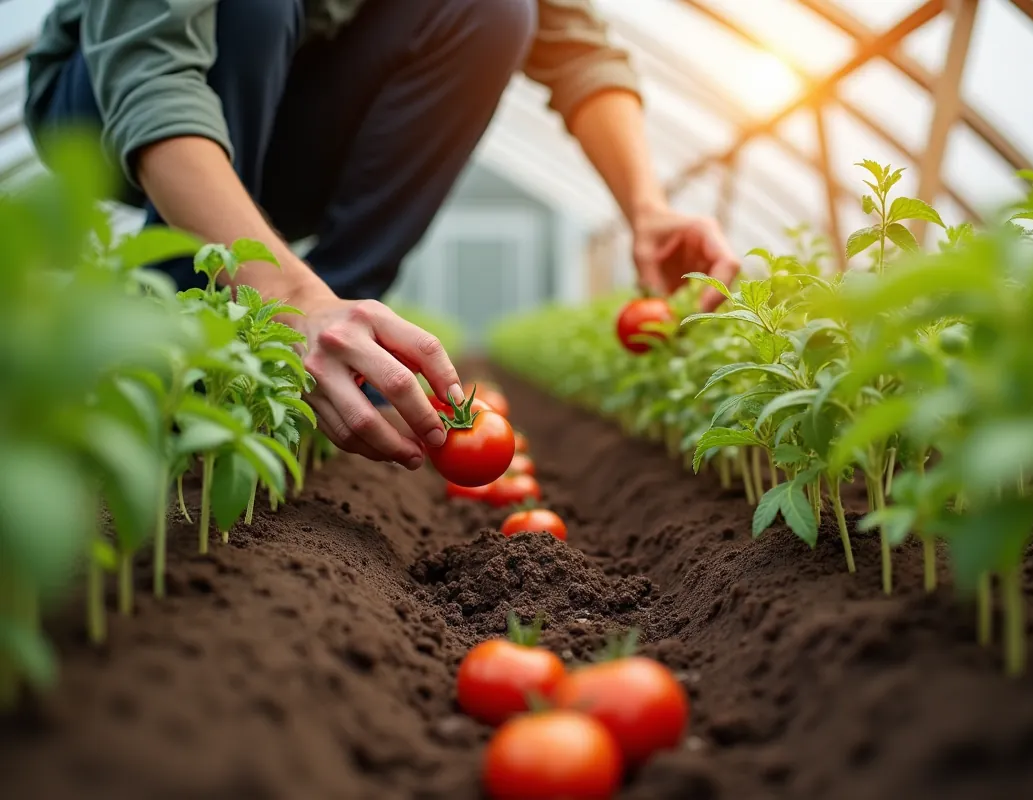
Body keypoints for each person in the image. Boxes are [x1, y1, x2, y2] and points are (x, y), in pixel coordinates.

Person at [23, 0, 741, 471]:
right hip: (109, 108)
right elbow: (151, 78)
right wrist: (285, 293)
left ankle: (337, 347)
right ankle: (194, 358)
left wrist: (647, 206)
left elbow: (576, 45)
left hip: (292, 119)